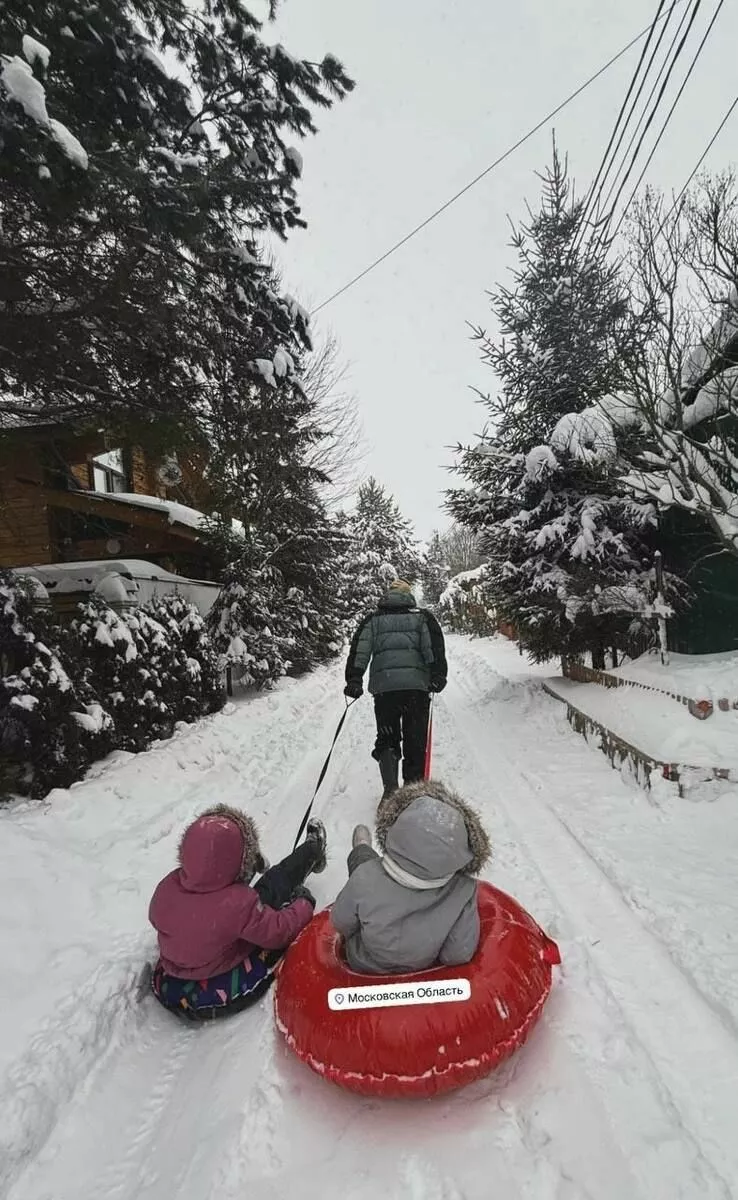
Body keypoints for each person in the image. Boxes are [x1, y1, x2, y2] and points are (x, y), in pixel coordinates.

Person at [148, 804, 326, 1021]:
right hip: (218, 977)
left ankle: (308, 852)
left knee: (255, 900)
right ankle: (312, 851)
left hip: (173, 975)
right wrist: (303, 903)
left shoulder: (167, 887)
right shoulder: (237, 904)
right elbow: (279, 931)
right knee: (271, 890)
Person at [329, 779, 490, 976]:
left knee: (365, 865)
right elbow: (457, 954)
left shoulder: (365, 876)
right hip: (423, 967)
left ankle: (362, 847)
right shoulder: (463, 890)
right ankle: (362, 848)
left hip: (365, 962)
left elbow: (341, 922)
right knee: (369, 871)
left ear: (394, 828)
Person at [344, 579, 447, 799]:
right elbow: (434, 648)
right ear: (409, 596)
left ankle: (390, 790)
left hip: (385, 690)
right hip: (416, 690)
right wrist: (438, 675)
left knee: (387, 737)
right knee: (415, 739)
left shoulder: (373, 620)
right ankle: (413, 792)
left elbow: (360, 649)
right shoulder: (422, 618)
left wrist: (354, 679)